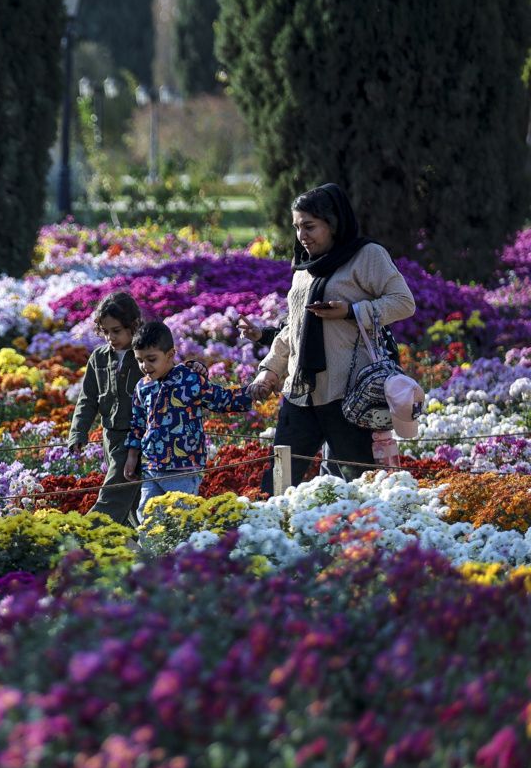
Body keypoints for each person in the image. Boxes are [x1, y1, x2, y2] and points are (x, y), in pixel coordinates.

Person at [248, 183, 415, 493]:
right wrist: (269, 371)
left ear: (333, 223)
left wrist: (352, 311)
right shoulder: (304, 267)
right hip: (301, 393)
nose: (302, 235)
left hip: (348, 396)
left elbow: (403, 302)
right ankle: (271, 527)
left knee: (361, 487)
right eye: (297, 227)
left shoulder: (367, 256)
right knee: (277, 484)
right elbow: (294, 328)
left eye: (309, 226)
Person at [123, 321, 254, 519]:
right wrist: (132, 456)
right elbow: (138, 423)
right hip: (151, 466)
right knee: (148, 517)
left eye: (151, 359)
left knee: (183, 517)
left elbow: (219, 399)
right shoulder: (143, 386)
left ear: (170, 355)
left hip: (184, 466)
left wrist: (252, 393)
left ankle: (187, 541)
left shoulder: (189, 379)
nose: (145, 366)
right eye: (140, 360)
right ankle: (151, 542)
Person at [68, 291, 145, 525]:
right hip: (109, 436)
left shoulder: (145, 356)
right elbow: (87, 399)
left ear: (134, 325)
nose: (111, 337)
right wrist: (78, 432)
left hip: (137, 437)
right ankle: (140, 540)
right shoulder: (99, 357)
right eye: (105, 332)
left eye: (116, 331)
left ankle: (87, 533)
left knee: (113, 493)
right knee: (132, 499)